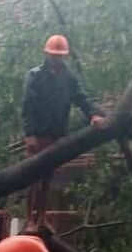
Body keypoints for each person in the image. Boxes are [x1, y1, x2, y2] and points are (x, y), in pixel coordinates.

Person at [21, 34, 105, 230]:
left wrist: (93, 114)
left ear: (64, 56)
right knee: (33, 177)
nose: (56, 58)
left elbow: (82, 98)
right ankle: (29, 219)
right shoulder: (35, 76)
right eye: (53, 55)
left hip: (57, 134)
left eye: (59, 55)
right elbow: (27, 105)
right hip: (38, 132)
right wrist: (29, 134)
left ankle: (42, 217)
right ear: (47, 54)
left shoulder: (69, 78)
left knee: (47, 178)